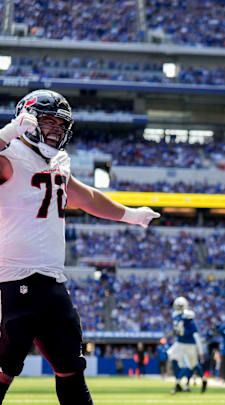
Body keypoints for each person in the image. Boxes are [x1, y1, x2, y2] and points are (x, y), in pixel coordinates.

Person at [0, 89, 160, 404]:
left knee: (71, 368)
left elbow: (84, 196)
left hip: (52, 280)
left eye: (61, 125)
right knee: (4, 368)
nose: (56, 130)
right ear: (26, 120)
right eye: (49, 122)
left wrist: (130, 215)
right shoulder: (11, 154)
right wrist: (6, 133)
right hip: (12, 279)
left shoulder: (58, 160)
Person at [168, 297, 207, 394]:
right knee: (172, 357)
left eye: (180, 305)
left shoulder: (188, 315)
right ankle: (178, 383)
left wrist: (184, 332)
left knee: (193, 365)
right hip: (180, 342)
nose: (178, 307)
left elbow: (195, 330)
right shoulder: (175, 315)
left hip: (189, 343)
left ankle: (203, 379)